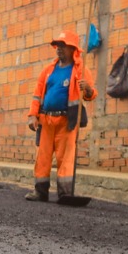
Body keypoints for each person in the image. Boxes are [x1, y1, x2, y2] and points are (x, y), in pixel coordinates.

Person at [25, 26, 95, 202]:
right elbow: (37, 94)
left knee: (66, 158)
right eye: (57, 45)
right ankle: (40, 192)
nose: (59, 48)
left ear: (73, 49)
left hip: (67, 120)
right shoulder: (48, 70)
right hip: (46, 120)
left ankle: (65, 194)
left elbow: (91, 95)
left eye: (63, 45)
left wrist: (86, 88)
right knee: (43, 156)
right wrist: (33, 115)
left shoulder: (80, 70)